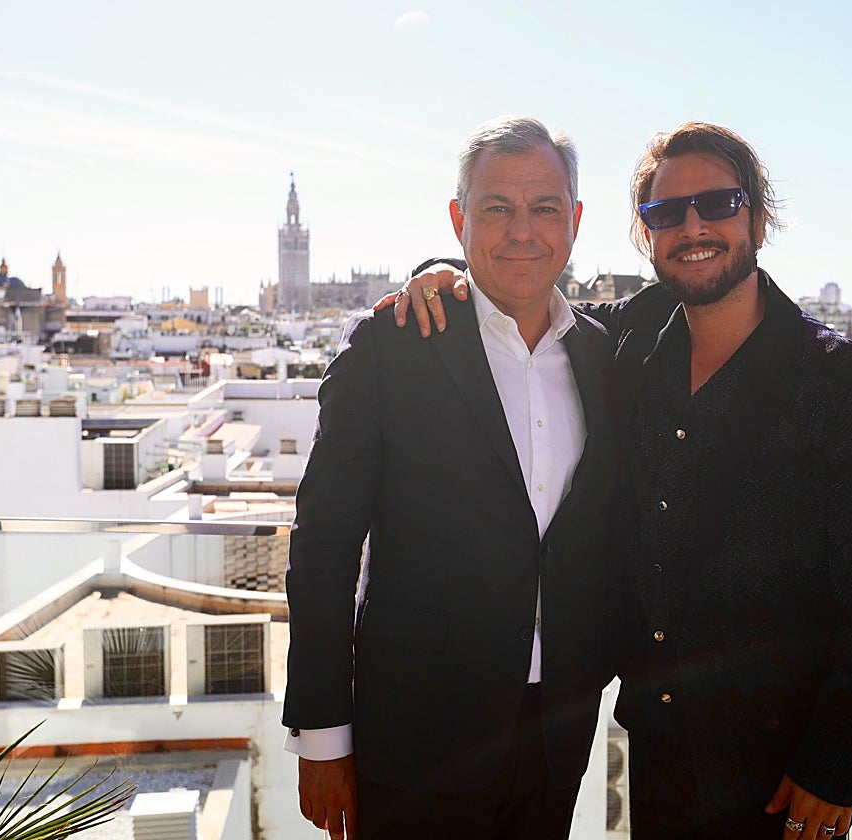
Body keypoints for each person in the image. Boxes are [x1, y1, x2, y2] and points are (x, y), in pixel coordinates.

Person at [388, 121, 852, 839]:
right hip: (659, 746)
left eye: (718, 205)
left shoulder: (841, 385)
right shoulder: (628, 343)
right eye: (666, 213)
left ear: (757, 218)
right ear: (645, 234)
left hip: (782, 768)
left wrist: (836, 765)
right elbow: (519, 291)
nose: (693, 228)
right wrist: (441, 271)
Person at [282, 115, 620, 840]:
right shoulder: (393, 345)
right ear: (458, 219)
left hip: (555, 736)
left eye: (545, 208)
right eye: (496, 207)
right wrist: (322, 735)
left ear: (576, 221)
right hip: (415, 744)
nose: (522, 230)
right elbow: (324, 551)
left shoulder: (603, 355)